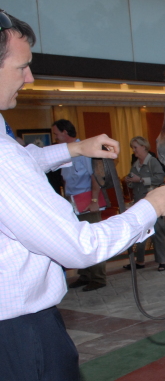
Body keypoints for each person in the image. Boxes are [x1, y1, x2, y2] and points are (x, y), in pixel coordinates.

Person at [0, 9, 165, 381]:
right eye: (21, 66)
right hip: (20, 344)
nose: (30, 77)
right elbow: (79, 247)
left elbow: (22, 161)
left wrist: (73, 148)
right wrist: (149, 208)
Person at [53, 119, 108, 291]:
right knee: (79, 240)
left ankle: (98, 278)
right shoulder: (66, 153)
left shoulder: (84, 151)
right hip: (73, 201)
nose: (54, 137)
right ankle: (85, 275)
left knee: (92, 239)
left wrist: (93, 200)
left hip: (87, 200)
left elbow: (96, 176)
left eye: (56, 133)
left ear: (65, 132)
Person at [125, 136, 165, 271]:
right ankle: (140, 261)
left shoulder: (153, 162)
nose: (134, 150)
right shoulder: (135, 164)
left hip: (153, 203)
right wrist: (129, 181)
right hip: (139, 203)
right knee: (140, 233)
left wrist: (141, 179)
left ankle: (161, 262)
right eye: (133, 147)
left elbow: (160, 177)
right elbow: (133, 183)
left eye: (135, 147)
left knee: (157, 232)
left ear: (144, 147)